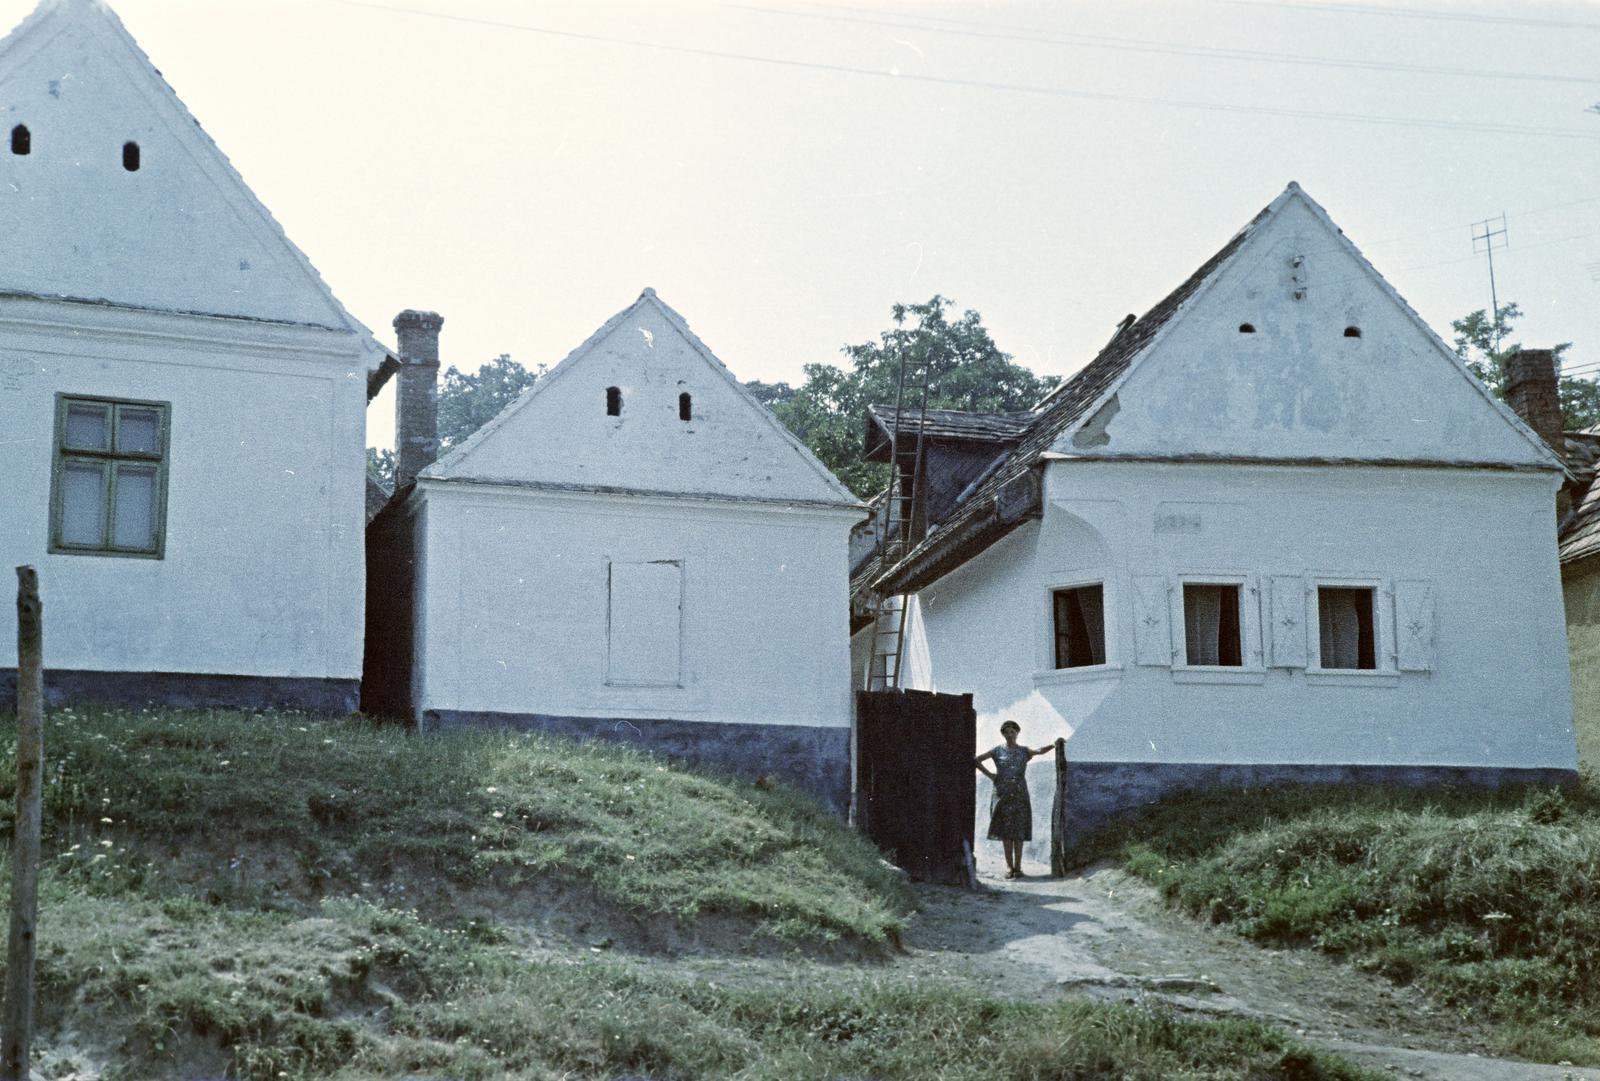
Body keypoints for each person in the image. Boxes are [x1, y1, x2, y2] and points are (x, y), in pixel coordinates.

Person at [975, 720, 1053, 879]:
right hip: (1001, 794)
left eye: (1013, 732)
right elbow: (976, 760)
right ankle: (1009, 868)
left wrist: (1054, 744)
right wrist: (990, 776)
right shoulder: (997, 751)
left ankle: (1018, 868)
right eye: (1007, 732)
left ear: (1017, 733)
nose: (1010, 735)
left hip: (1019, 794)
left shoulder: (1024, 751)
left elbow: (1039, 751)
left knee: (1019, 831)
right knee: (1005, 833)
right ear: (1003, 734)